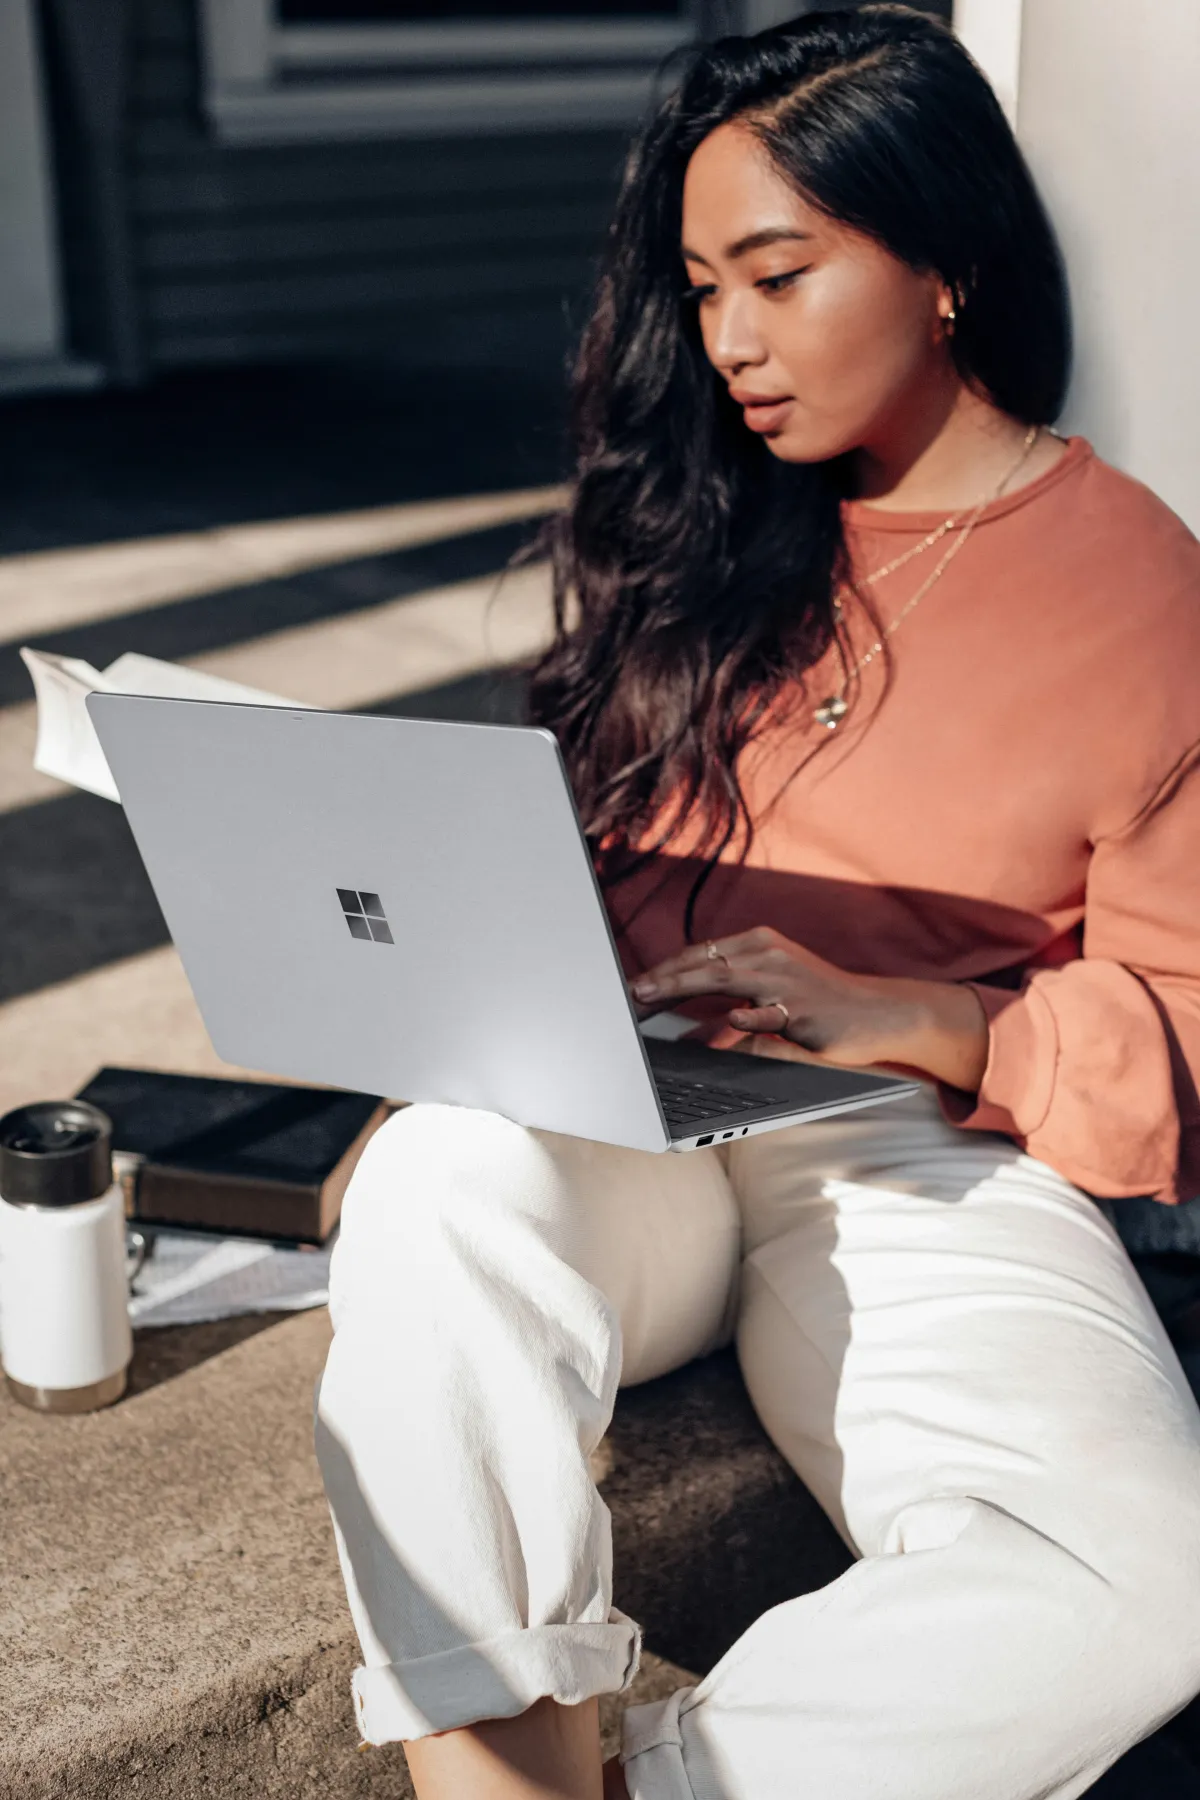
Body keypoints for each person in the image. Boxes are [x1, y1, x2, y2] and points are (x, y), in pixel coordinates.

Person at [314, 9, 1200, 1797]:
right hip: (619, 1106)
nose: (725, 344)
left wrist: (930, 1020)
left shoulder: (1144, 587)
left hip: (917, 1144)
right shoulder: (706, 534)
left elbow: (1187, 1014)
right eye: (702, 287)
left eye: (777, 278)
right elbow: (564, 881)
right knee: (433, 1176)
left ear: (945, 263)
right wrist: (440, 1048)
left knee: (1152, 1583)